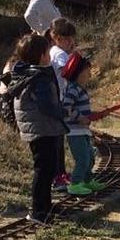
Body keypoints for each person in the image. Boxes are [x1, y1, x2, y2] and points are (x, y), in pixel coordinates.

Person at [4, 34, 66, 223]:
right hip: (42, 129)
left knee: (46, 170)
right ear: (41, 56)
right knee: (43, 171)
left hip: (37, 129)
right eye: (48, 52)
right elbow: (46, 106)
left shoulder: (25, 73)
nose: (50, 56)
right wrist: (63, 112)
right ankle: (39, 211)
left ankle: (45, 206)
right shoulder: (39, 77)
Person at [60, 52, 102, 195]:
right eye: (87, 72)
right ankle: (75, 183)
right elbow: (66, 108)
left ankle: (87, 180)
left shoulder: (78, 89)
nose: (89, 75)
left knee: (90, 157)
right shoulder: (72, 89)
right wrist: (80, 118)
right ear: (78, 73)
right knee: (83, 158)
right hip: (75, 131)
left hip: (83, 131)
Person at [47, 17, 78, 189]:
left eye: (72, 38)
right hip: (58, 101)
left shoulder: (54, 52)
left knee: (58, 141)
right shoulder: (59, 54)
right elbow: (68, 72)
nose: (70, 41)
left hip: (57, 100)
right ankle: (57, 176)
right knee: (57, 142)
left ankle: (60, 173)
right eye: (67, 38)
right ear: (57, 38)